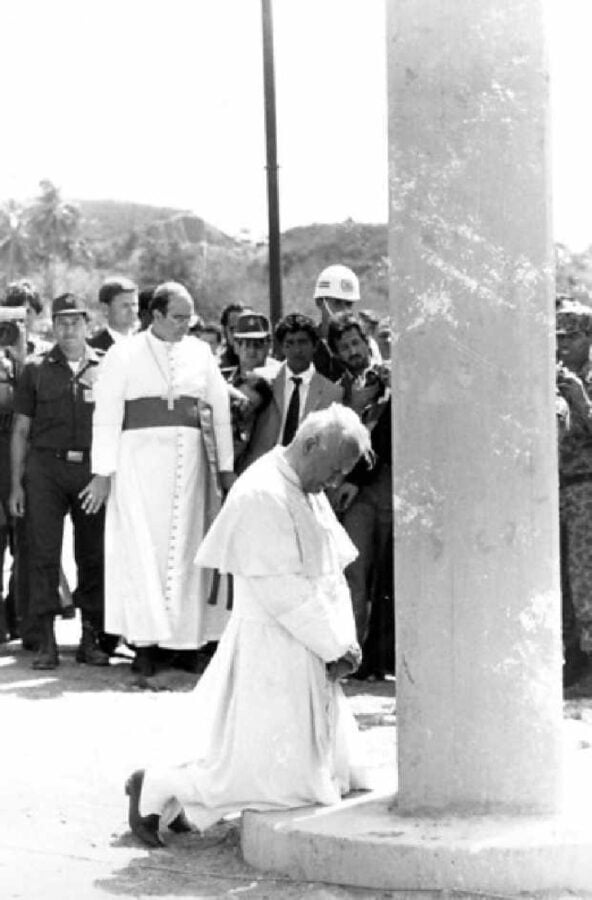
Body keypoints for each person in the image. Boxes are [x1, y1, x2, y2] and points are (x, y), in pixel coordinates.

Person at [123, 404, 373, 847]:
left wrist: (343, 643)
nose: (335, 482)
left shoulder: (306, 486)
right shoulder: (262, 492)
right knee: (265, 776)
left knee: (271, 762)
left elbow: (332, 573)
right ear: (311, 444)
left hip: (308, 644)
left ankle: (176, 795)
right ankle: (158, 786)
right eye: (334, 469)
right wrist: (337, 645)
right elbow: (283, 592)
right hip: (274, 646)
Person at [86, 282, 234, 677]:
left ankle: (184, 643)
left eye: (190, 318)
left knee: (187, 549)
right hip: (138, 466)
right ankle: (146, 644)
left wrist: (226, 469)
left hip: (191, 469)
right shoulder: (123, 354)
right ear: (156, 315)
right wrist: (103, 473)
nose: (187, 325)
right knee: (144, 552)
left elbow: (219, 411)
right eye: (179, 318)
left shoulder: (201, 353)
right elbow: (106, 416)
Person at [9, 293, 109, 669]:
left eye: (76, 321)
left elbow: (115, 425)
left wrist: (106, 475)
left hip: (89, 470)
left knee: (92, 553)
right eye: (62, 322)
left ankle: (91, 637)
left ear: (88, 324)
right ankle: (46, 640)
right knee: (43, 555)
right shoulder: (35, 369)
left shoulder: (106, 367)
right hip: (45, 470)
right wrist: (17, 486)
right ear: (53, 326)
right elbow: (21, 429)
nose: (69, 329)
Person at [327, 313, 393, 668]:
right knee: (355, 571)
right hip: (355, 495)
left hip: (385, 485)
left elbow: (386, 438)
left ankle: (380, 658)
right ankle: (353, 653)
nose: (354, 351)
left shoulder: (391, 378)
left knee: (388, 575)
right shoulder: (339, 390)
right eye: (345, 347)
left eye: (357, 342)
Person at [238, 312, 344, 473]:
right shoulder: (261, 380)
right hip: (260, 471)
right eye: (290, 343)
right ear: (281, 347)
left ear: (315, 345)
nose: (296, 350)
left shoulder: (332, 393)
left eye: (302, 342)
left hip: (304, 475)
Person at [555, 296, 592, 686]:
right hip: (557, 488)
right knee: (562, 579)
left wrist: (581, 401)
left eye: (571, 337)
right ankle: (570, 661)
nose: (562, 346)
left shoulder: (584, 381)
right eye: (558, 337)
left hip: (585, 487)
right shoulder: (552, 375)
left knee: (585, 580)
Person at [312, 264, 361, 381]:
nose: (344, 310)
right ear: (320, 302)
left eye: (349, 304)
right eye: (337, 303)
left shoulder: (364, 343)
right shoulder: (305, 343)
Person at [88, 276, 138, 351]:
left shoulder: (145, 345)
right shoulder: (92, 349)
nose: (132, 311)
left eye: (134, 305)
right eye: (125, 306)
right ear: (105, 309)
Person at [218, 302, 245, 372]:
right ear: (224, 331)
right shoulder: (215, 367)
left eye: (242, 329)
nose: (238, 335)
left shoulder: (262, 364)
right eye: (233, 329)